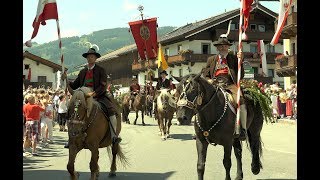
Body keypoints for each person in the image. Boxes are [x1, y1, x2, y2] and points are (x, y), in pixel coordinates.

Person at [62, 48, 121, 147]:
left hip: (99, 96)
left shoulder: (101, 70)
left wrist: (94, 94)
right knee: (72, 110)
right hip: (83, 96)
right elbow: (74, 85)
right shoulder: (82, 72)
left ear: (95, 58)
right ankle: (71, 138)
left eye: (92, 57)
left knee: (111, 110)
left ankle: (114, 136)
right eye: (88, 57)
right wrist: (66, 80)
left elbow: (103, 85)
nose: (90, 58)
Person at [202, 34, 246, 140]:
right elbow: (205, 73)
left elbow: (242, 74)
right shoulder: (211, 59)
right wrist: (209, 80)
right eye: (221, 46)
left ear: (228, 47)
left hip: (230, 86)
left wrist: (241, 61)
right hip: (214, 86)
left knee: (241, 103)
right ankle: (201, 129)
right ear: (217, 48)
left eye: (225, 46)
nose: (223, 48)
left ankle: (242, 129)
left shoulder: (234, 58)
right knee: (200, 101)